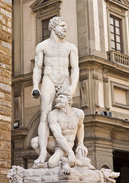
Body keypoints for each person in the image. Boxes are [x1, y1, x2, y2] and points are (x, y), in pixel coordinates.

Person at [31, 16, 79, 164]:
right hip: (49, 79)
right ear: (53, 27)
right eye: (62, 26)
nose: (65, 29)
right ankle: (43, 152)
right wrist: (35, 86)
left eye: (65, 26)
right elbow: (37, 68)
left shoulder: (70, 47)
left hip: (64, 79)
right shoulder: (42, 46)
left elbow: (75, 68)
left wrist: (72, 87)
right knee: (44, 115)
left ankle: (64, 150)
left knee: (65, 114)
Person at [31, 90, 89, 168]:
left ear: (69, 100)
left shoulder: (78, 113)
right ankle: (51, 160)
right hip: (57, 142)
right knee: (34, 142)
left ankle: (76, 163)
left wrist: (80, 144)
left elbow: (80, 127)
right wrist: (70, 153)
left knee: (52, 163)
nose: (57, 99)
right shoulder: (53, 114)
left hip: (68, 142)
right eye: (57, 98)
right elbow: (58, 135)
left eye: (61, 97)